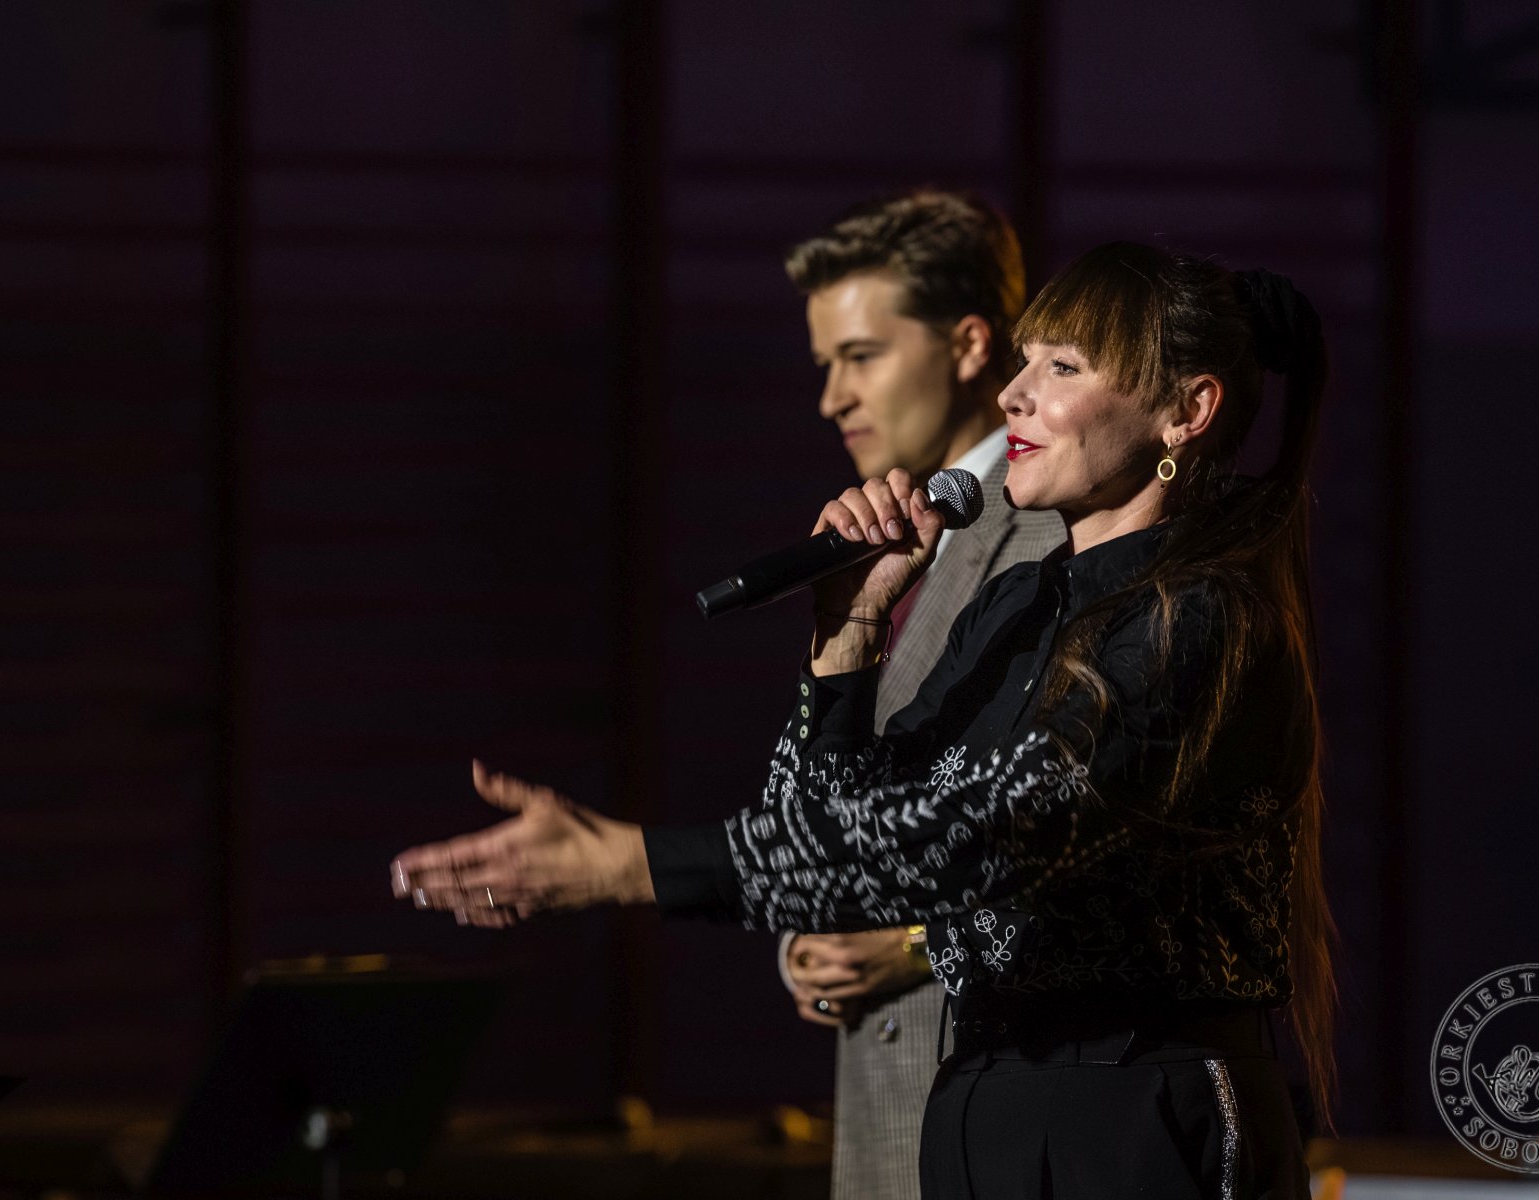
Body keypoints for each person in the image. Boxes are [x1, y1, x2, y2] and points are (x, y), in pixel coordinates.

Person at [393, 241, 1337, 1197]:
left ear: (1188, 410)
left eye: (1062, 367)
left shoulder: (1203, 620)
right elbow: (832, 838)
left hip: (1134, 1115)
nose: (1014, 395)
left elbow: (983, 836)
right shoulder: (1016, 605)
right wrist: (847, 636)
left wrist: (632, 864)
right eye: (1023, 362)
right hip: (980, 1103)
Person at [776, 188, 1063, 1199]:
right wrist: (807, 935)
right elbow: (841, 809)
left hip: (1003, 1111)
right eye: (825, 364)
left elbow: (1091, 833)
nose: (833, 397)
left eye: (860, 356)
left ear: (971, 344)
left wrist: (909, 943)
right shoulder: (883, 539)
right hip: (887, 1112)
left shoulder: (1054, 532)